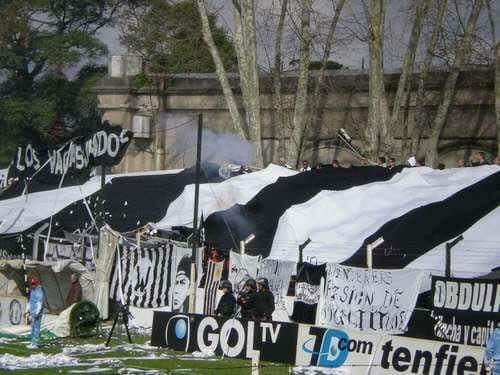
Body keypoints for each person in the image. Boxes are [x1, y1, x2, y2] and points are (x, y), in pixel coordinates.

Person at [27, 275, 45, 349]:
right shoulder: (32, 291)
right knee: (32, 328)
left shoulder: (39, 292)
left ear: (36, 284)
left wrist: (37, 313)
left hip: (37, 313)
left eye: (34, 284)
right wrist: (27, 311)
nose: (32, 285)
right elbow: (30, 302)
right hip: (32, 312)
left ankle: (35, 344)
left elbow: (39, 303)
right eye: (32, 284)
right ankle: (32, 342)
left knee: (36, 328)